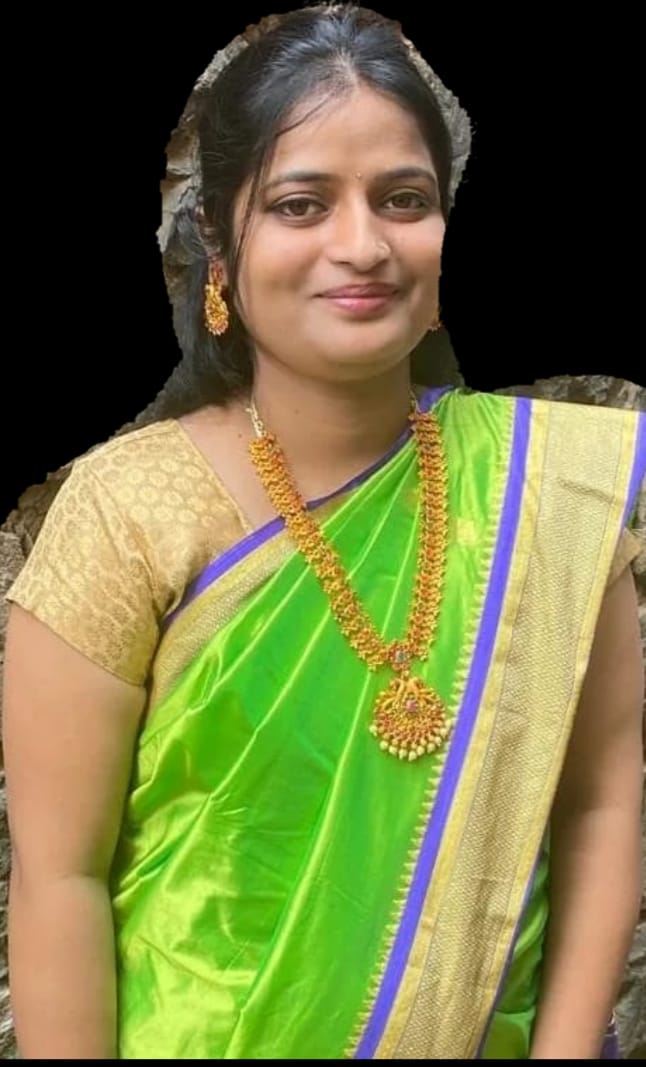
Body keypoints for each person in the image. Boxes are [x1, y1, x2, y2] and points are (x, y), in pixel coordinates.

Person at [1, 3, 644, 1059]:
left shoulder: (550, 495)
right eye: (301, 204)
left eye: (404, 200)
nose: (363, 245)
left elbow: (599, 807)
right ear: (220, 246)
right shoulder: (128, 512)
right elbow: (58, 875)